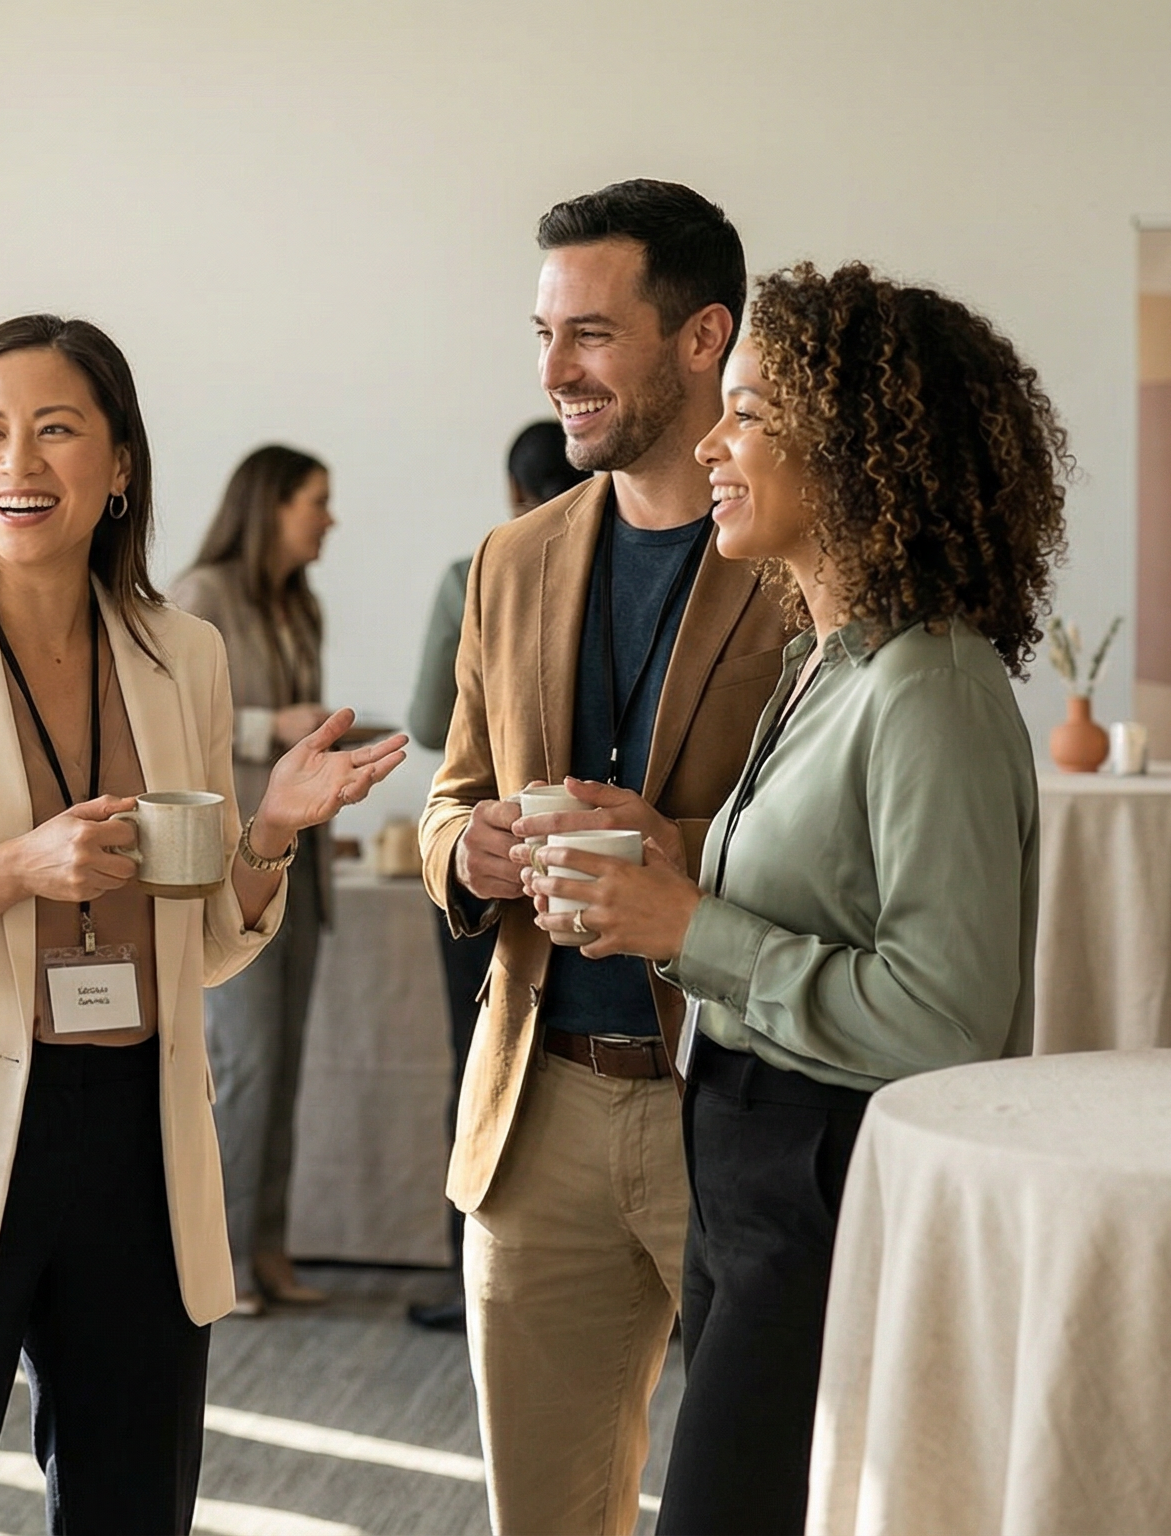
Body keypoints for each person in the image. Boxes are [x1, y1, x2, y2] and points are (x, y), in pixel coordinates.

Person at [0, 315, 405, 1535]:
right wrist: (12, 870)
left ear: (120, 466)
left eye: (56, 431)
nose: (18, 462)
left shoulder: (183, 656)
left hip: (136, 1141)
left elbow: (203, 940)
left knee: (132, 1509)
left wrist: (269, 834)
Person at [530, 261, 1059, 1534]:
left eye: (752, 412)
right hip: (755, 1159)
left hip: (835, 1169)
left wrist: (687, 928)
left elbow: (942, 1019)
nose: (712, 438)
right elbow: (834, 884)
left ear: (864, 448)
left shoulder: (928, 686)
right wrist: (677, 852)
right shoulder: (833, 655)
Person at [416, 179, 796, 1536]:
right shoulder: (508, 562)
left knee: (769, 1499)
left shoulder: (803, 558)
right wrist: (477, 851)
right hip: (538, 1110)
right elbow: (448, 799)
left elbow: (843, 828)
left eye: (589, 335)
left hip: (739, 1095)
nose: (552, 373)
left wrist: (666, 851)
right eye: (542, 334)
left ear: (705, 339)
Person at [406, 419, 588, 1334]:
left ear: (516, 491)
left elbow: (432, 728)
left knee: (469, 1059)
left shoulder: (468, 572)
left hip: (517, 879)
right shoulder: (496, 567)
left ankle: (458, 1275)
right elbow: (451, 793)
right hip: (509, 883)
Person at [170, 444, 342, 1315]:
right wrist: (268, 722)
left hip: (296, 872)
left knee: (283, 1072)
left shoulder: (297, 606)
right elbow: (167, 714)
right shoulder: (201, 595)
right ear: (272, 504)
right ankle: (221, 1260)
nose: (329, 519)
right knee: (244, 1066)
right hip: (233, 872)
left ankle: (267, 1250)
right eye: (317, 501)